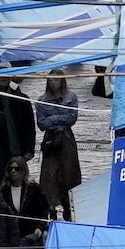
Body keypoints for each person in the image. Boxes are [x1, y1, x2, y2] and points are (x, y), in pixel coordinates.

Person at [36, 72, 82, 218]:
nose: (53, 83)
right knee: (49, 174)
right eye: (51, 80)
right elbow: (41, 123)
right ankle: (51, 209)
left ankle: (68, 207)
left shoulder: (71, 97)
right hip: (50, 140)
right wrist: (59, 121)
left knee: (69, 173)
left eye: (56, 80)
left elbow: (72, 118)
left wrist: (53, 118)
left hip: (66, 140)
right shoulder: (41, 100)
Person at [0, 78, 38, 168]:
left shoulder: (21, 99)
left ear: (9, 80)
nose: (1, 84)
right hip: (2, 150)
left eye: (3, 80)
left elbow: (30, 127)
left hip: (19, 148)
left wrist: (30, 150)